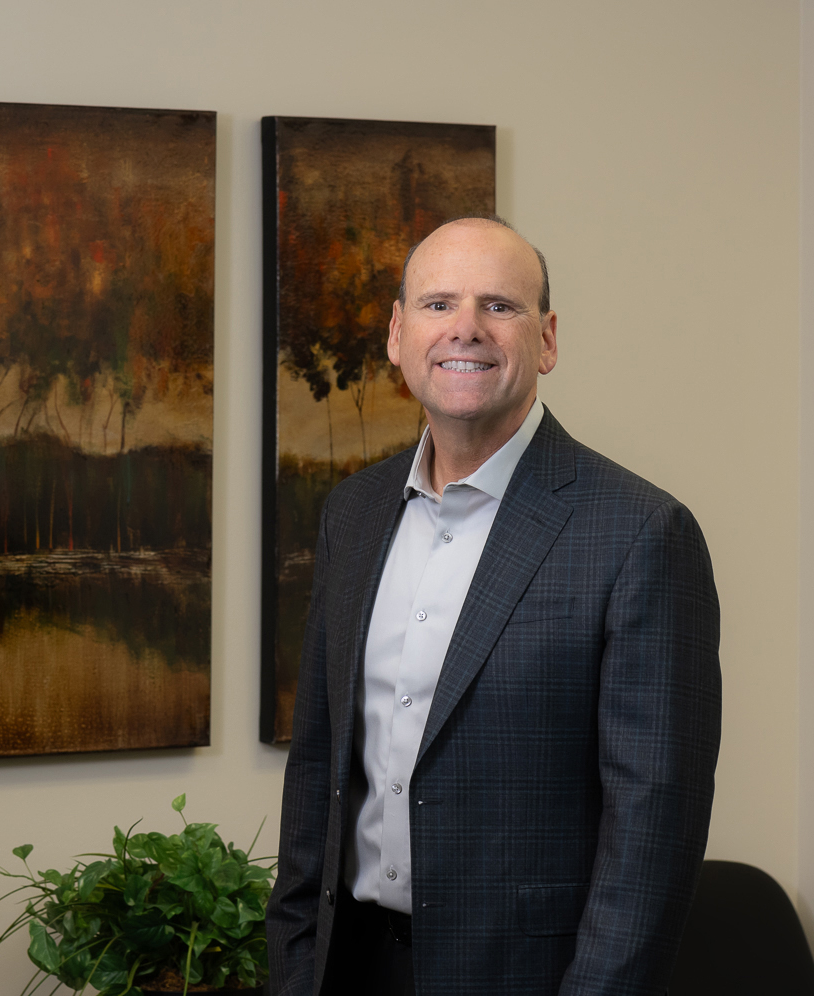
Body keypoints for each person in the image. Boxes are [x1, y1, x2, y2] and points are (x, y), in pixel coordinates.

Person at [266, 216, 722, 996]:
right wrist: (297, 966)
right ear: (398, 335)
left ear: (546, 340)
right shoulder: (354, 513)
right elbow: (316, 767)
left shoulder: (640, 533)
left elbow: (653, 831)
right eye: (438, 304)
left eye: (499, 306)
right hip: (348, 967)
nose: (466, 328)